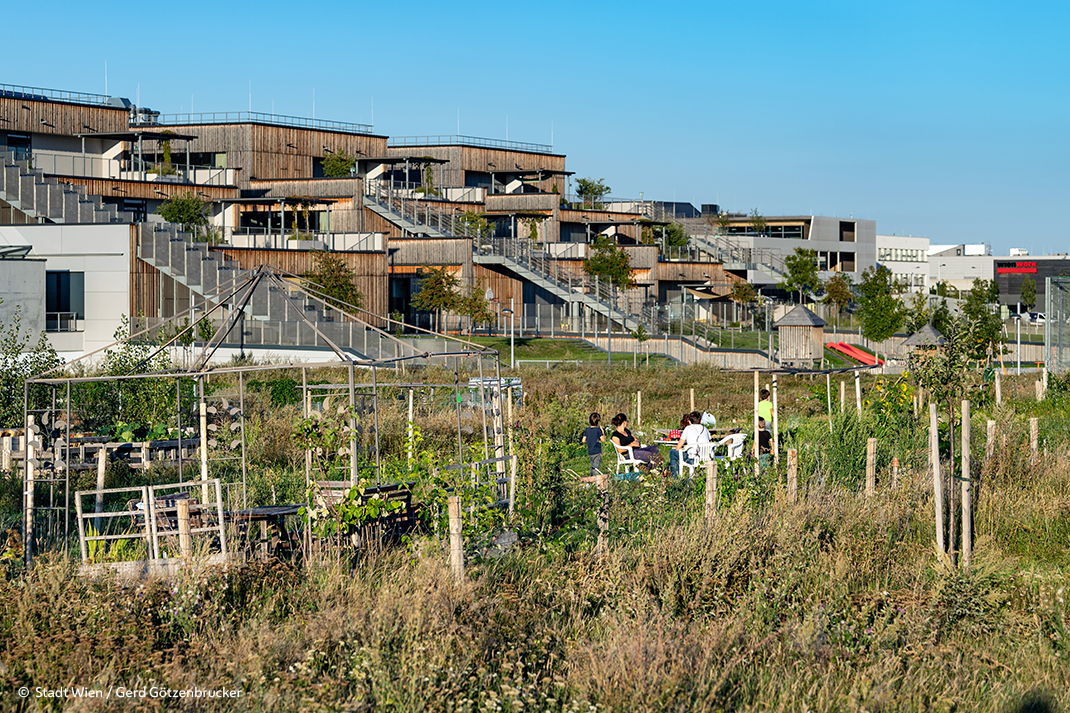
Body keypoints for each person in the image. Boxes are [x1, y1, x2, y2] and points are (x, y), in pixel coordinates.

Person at [671, 411, 711, 477]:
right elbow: (710, 441)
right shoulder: (705, 429)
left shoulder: (687, 429)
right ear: (700, 421)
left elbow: (678, 448)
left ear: (689, 421)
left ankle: (675, 477)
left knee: (673, 452)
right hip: (706, 458)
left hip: (693, 459)